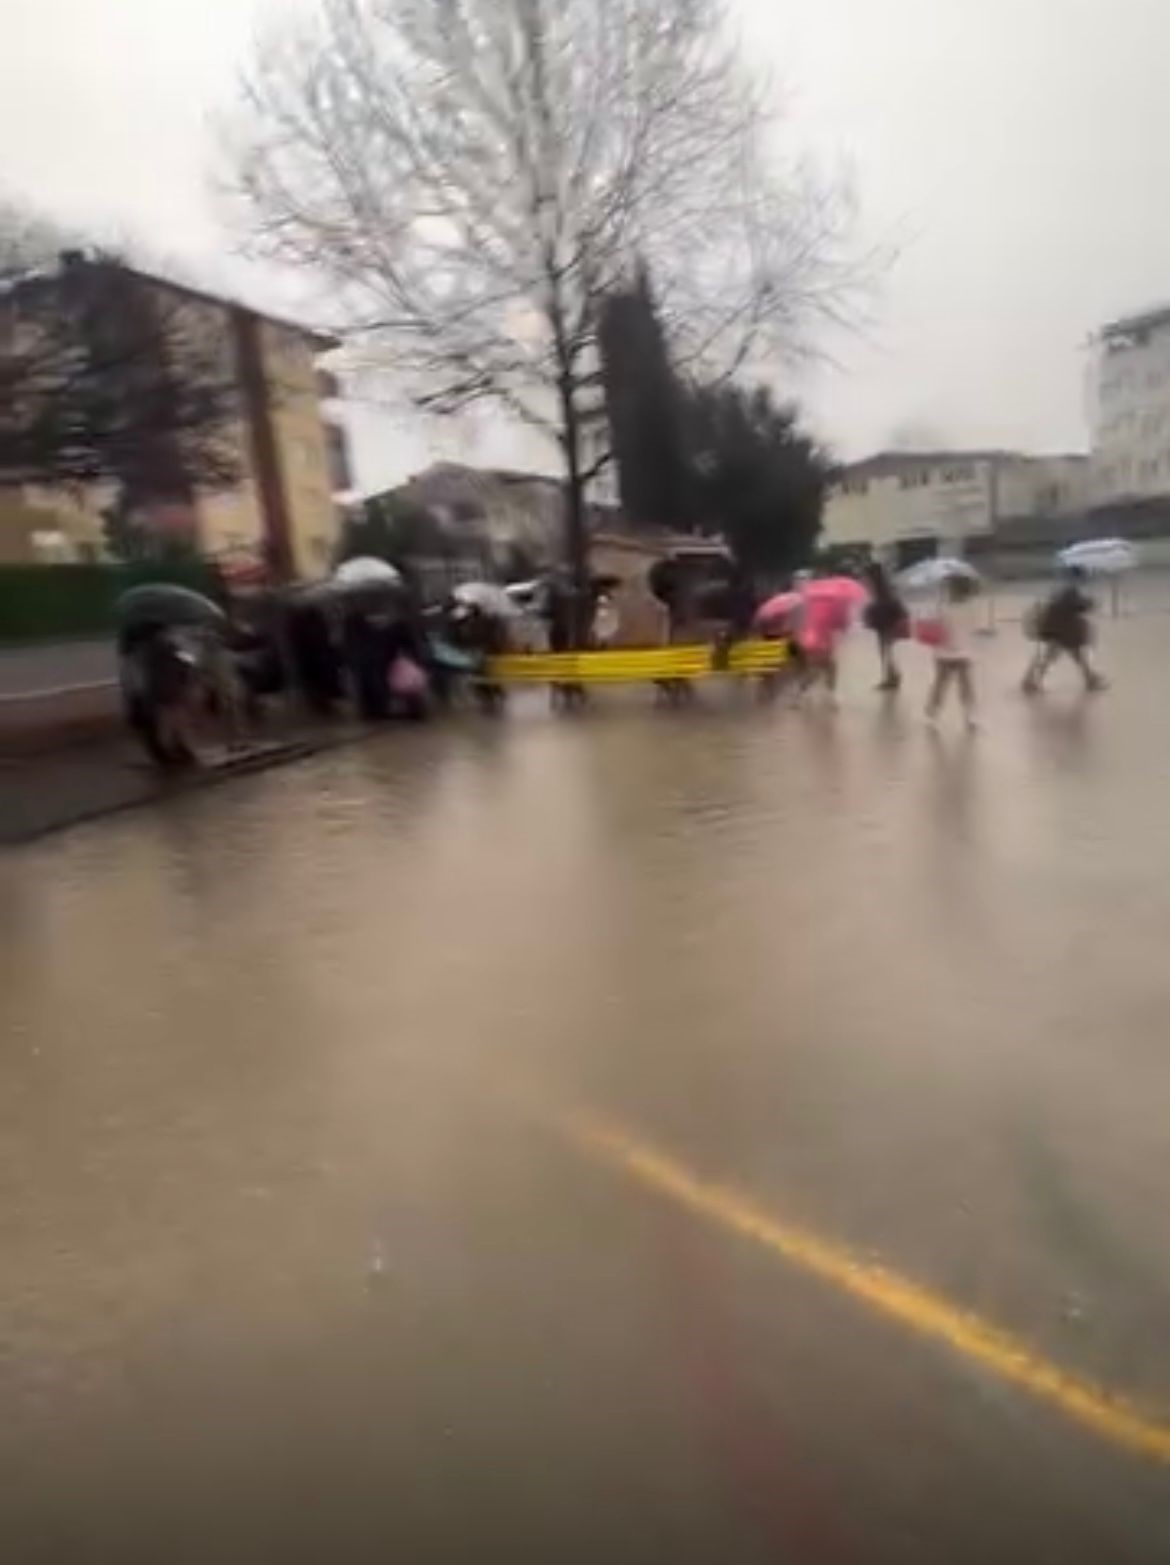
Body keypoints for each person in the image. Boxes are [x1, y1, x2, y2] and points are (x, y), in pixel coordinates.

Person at [1022, 566, 1106, 694]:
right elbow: (1077, 605)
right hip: (1064, 630)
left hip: (1060, 628)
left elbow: (1069, 605)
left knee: (1069, 656)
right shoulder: (1070, 590)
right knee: (1054, 656)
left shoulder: (1063, 588)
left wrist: (1087, 603)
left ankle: (1090, 679)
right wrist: (1091, 603)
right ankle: (1031, 681)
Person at [925, 573, 980, 729]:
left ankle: (934, 713)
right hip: (960, 652)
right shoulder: (969, 607)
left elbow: (934, 626)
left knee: (942, 684)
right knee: (964, 685)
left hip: (946, 652)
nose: (948, 591)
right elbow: (973, 627)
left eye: (949, 588)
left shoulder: (943, 607)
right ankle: (968, 715)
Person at [863, 562, 909, 691]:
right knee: (886, 651)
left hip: (887, 624)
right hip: (884, 624)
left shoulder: (882, 590)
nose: (864, 579)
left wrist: (872, 610)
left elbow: (889, 606)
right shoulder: (882, 588)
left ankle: (893, 678)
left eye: (866, 575)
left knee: (887, 651)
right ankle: (891, 677)